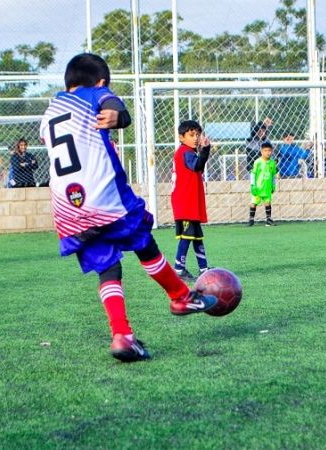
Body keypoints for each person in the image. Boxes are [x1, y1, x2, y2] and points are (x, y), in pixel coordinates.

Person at [39, 53, 216, 363]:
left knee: (108, 267)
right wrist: (118, 116)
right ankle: (180, 297)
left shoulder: (49, 112)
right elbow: (115, 107)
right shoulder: (94, 93)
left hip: (68, 208)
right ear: (102, 81)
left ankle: (122, 336)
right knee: (144, 242)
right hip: (104, 195)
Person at [171, 120, 212, 281]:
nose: (195, 138)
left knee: (196, 236)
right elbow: (196, 165)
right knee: (187, 237)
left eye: (197, 134)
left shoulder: (189, 152)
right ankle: (178, 269)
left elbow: (198, 166)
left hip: (189, 202)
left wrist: (204, 150)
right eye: (191, 135)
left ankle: (204, 268)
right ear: (182, 137)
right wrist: (206, 149)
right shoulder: (185, 152)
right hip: (185, 203)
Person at [248, 142, 277, 227]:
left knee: (267, 202)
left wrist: (273, 184)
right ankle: (251, 219)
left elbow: (273, 175)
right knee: (254, 203)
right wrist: (253, 185)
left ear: (271, 151)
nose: (267, 152)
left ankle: (268, 219)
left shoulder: (272, 163)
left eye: (269, 150)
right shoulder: (258, 162)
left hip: (267, 187)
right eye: (265, 150)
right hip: (258, 188)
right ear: (261, 151)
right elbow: (253, 174)